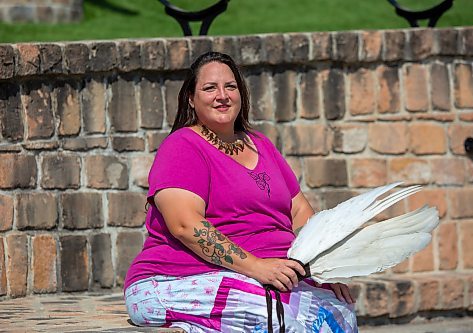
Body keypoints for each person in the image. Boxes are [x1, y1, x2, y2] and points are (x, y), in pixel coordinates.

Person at [124, 51, 358, 332]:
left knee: (339, 313)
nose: (222, 95)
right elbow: (185, 224)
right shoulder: (183, 146)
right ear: (191, 98)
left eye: (230, 87)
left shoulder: (261, 145)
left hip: (264, 277)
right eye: (210, 88)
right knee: (275, 318)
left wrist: (324, 269)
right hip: (178, 277)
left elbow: (300, 212)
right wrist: (258, 267)